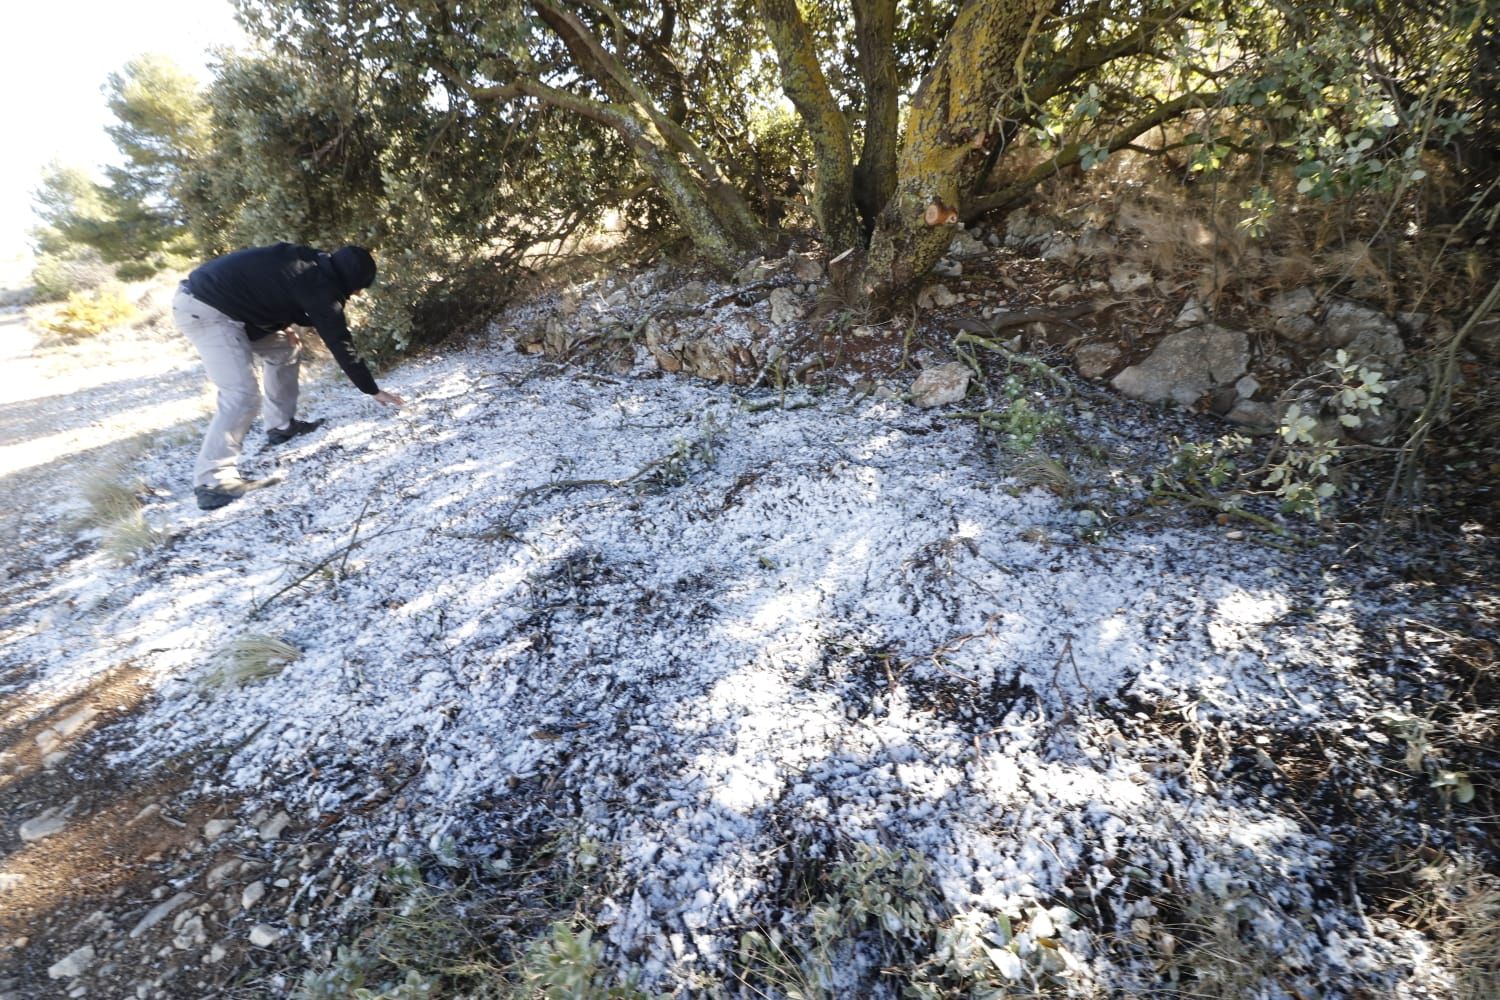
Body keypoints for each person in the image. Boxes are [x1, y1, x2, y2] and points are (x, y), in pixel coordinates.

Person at [172, 243, 406, 510]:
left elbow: (272, 288)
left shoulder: (312, 262)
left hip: (225, 306)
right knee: (242, 394)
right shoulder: (320, 287)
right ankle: (212, 482)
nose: (358, 292)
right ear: (350, 280)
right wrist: (372, 389)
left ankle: (281, 426)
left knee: (286, 347)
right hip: (206, 310)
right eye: (359, 286)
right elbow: (340, 342)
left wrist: (281, 327)